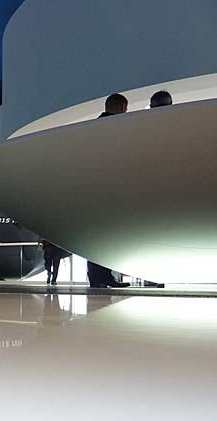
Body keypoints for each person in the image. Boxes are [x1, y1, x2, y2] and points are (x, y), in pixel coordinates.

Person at [87, 93, 131, 288]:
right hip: (110, 186)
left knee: (98, 234)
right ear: (123, 107)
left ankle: (100, 277)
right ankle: (103, 276)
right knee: (107, 234)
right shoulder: (119, 127)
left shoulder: (92, 128)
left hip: (95, 187)